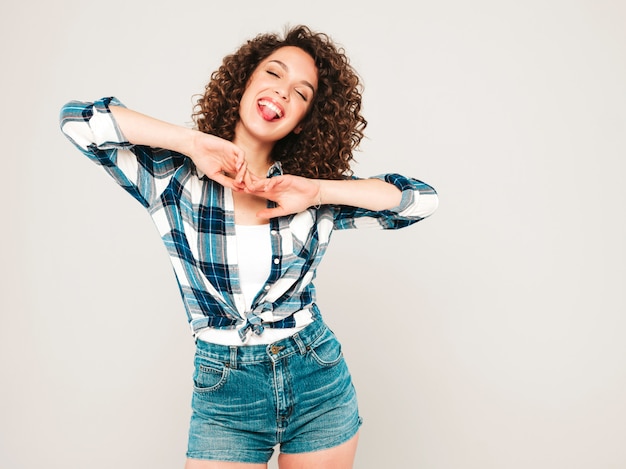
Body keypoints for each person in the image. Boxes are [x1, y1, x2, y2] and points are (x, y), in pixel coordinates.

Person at [59, 24, 438, 469]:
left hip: (316, 377)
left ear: (303, 121)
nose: (282, 93)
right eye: (274, 74)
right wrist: (193, 142)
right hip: (226, 390)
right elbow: (78, 120)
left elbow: (420, 200)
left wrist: (318, 192)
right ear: (245, 81)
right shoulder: (172, 177)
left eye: (301, 94)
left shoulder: (308, 194)